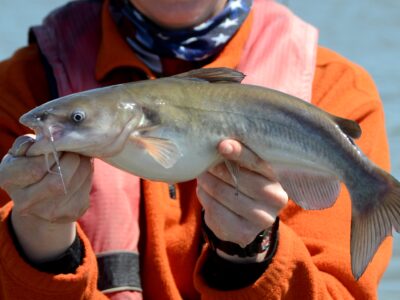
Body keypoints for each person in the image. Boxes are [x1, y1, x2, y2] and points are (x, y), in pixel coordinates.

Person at [0, 0, 393, 299]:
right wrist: (39, 239)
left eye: (77, 120)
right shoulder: (18, 89)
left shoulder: (337, 89)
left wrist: (250, 258)